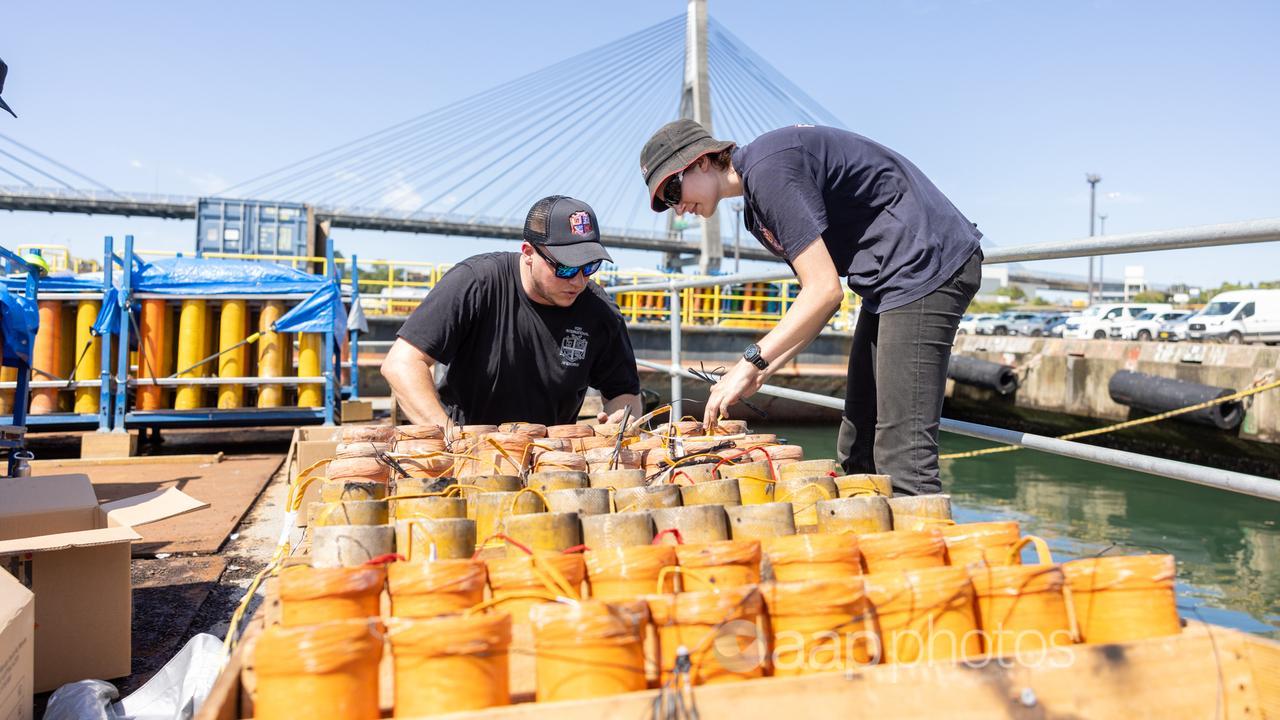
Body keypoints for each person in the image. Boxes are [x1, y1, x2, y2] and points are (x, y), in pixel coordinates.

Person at [640, 120, 982, 496]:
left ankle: (918, 549)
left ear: (702, 160)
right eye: (666, 201)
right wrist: (762, 371)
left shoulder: (769, 170)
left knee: (903, 459)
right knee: (857, 448)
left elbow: (823, 291)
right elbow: (819, 303)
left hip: (927, 265)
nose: (677, 208)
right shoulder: (757, 201)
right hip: (888, 280)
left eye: (673, 187)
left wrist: (749, 362)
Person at [382, 195, 642, 428]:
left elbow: (625, 394)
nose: (578, 280)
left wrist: (621, 419)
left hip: (551, 457)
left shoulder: (599, 310)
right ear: (528, 252)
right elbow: (401, 363)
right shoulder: (476, 282)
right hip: (470, 443)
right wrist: (449, 438)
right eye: (565, 268)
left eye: (590, 266)